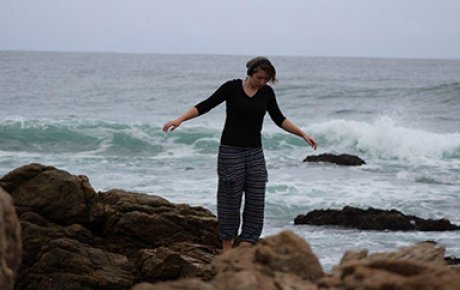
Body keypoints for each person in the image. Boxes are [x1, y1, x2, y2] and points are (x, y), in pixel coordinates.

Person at [163, 56, 317, 253]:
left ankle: (246, 246)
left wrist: (302, 133)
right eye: (259, 77)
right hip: (230, 151)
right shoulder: (231, 88)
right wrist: (180, 119)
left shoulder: (267, 93)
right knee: (229, 199)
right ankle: (227, 249)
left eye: (266, 79)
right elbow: (205, 105)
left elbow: (279, 118)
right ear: (250, 73)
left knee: (256, 199)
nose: (262, 82)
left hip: (255, 153)